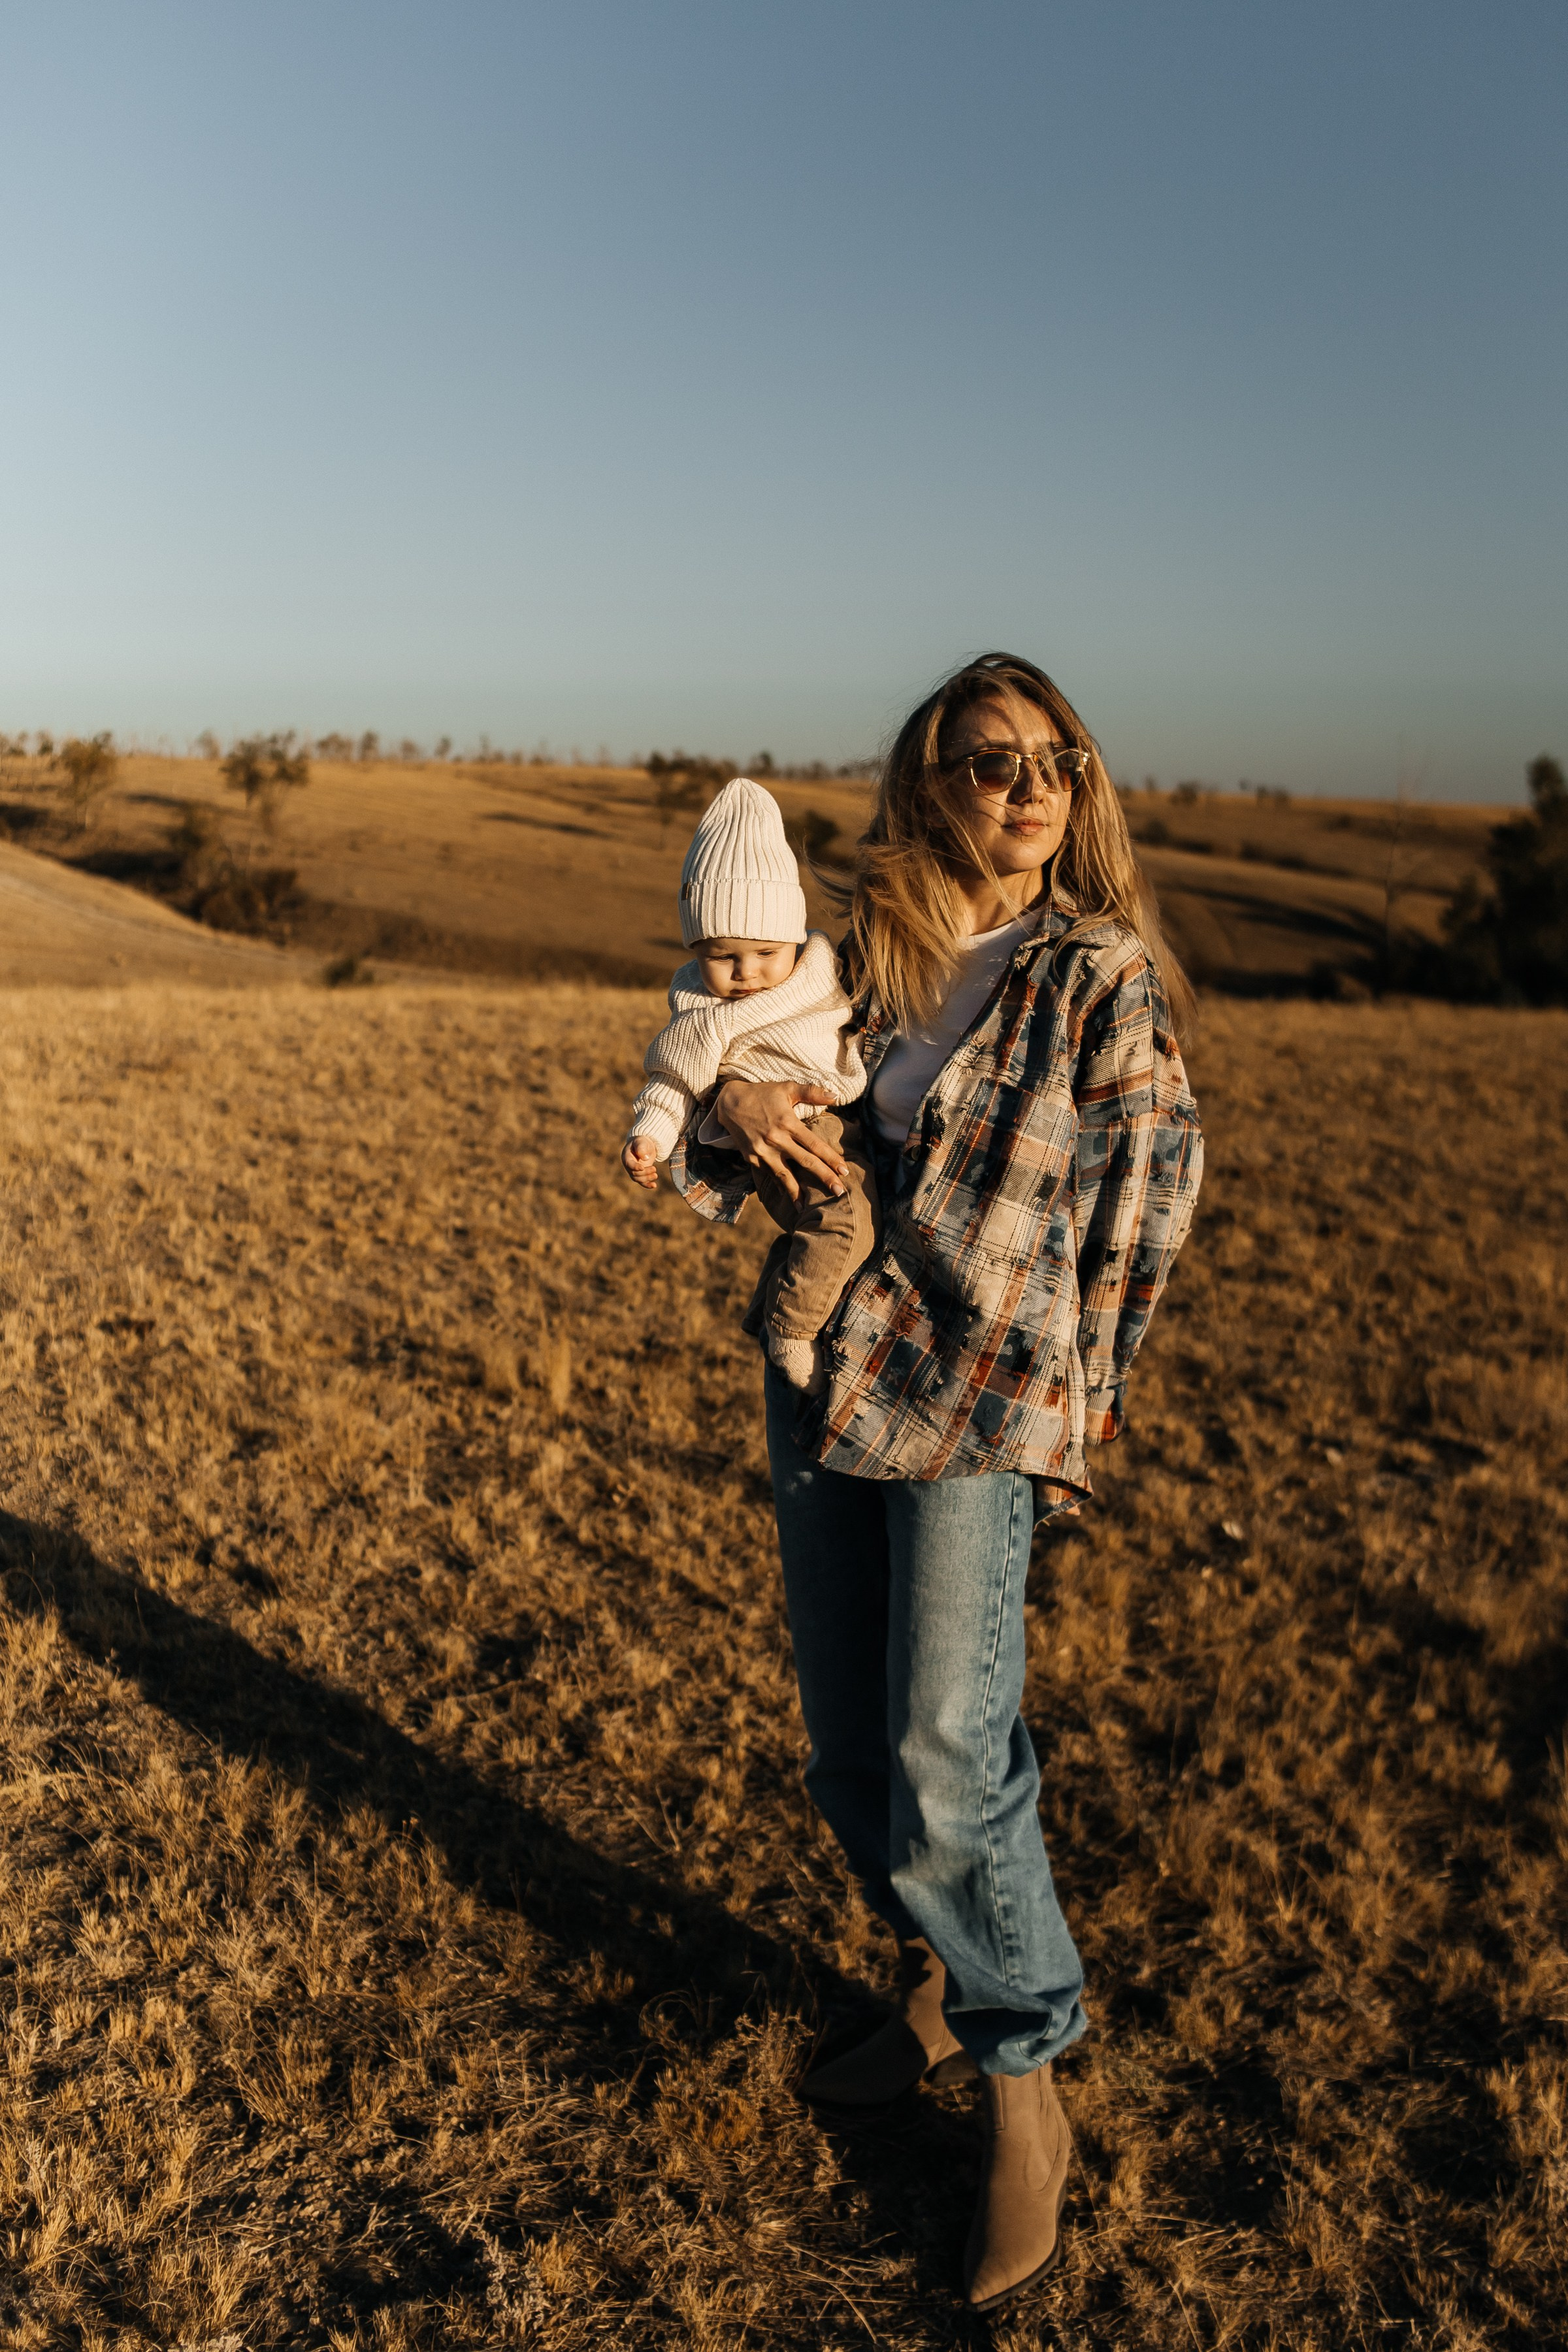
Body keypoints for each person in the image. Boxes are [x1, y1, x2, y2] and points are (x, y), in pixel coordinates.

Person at [703, 653, 1204, 2314]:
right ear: (927, 781)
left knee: (944, 1741)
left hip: (981, 1399)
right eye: (988, 762)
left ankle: (1019, 2080)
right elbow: (737, 1090)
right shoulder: (868, 956)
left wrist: (1083, 1397)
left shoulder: (1094, 970)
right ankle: (923, 1980)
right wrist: (742, 1090)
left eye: (1052, 761)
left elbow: (1148, 1193)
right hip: (825, 1369)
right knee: (849, 1732)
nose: (1023, 786)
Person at [621, 777, 877, 1392]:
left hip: (844, 1126)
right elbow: (672, 1082)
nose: (746, 973)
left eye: (764, 951)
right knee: (844, 1225)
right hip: (783, 1140)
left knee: (872, 1225)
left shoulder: (821, 974)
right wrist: (648, 1137)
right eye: (721, 956)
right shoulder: (703, 1013)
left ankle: (772, 1300)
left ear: (794, 934)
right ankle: (791, 1331)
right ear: (695, 948)